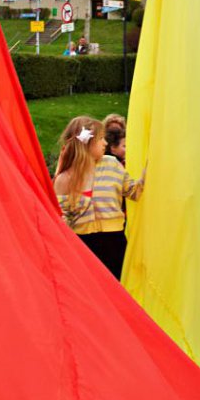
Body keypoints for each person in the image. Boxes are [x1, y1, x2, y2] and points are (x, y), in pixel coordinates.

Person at [53, 115, 144, 279]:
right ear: (86, 144)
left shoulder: (112, 164)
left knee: (118, 290)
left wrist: (148, 174)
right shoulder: (64, 179)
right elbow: (62, 220)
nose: (106, 143)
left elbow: (135, 192)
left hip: (115, 242)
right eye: (101, 138)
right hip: (84, 247)